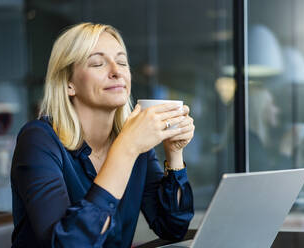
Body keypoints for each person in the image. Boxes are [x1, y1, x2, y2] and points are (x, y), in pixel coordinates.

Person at [10, 23, 195, 247]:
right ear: (69, 84)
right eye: (98, 63)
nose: (116, 71)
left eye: (122, 62)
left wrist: (174, 153)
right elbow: (65, 243)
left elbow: (173, 228)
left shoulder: (134, 143)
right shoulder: (38, 140)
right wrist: (126, 150)